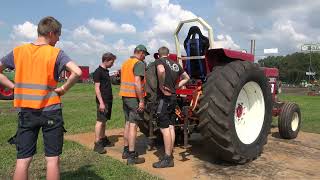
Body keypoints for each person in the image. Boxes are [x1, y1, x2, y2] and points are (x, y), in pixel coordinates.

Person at [0, 16, 82, 180]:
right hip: (51, 110)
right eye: (58, 35)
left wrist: (13, 87)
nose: (58, 39)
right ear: (51, 33)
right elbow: (78, 72)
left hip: (26, 112)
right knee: (52, 160)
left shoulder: (18, 51)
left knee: (23, 160)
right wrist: (64, 88)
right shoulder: (56, 53)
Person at [153, 46, 190, 168]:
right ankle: (170, 154)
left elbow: (161, 71)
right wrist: (176, 87)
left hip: (164, 98)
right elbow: (187, 78)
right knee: (170, 126)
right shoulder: (175, 64)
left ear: (159, 55)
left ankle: (167, 158)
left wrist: (162, 86)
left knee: (164, 128)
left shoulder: (160, 61)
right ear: (168, 54)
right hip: (173, 97)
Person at [119, 44, 149, 165]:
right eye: (144, 55)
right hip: (134, 98)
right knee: (133, 125)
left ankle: (126, 151)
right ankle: (132, 156)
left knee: (127, 123)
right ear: (140, 52)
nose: (145, 58)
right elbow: (137, 82)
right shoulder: (139, 63)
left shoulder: (126, 62)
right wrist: (141, 101)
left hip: (125, 96)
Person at [93, 52, 116, 154]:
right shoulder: (98, 72)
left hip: (108, 100)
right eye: (112, 62)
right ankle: (97, 143)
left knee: (104, 121)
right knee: (100, 121)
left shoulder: (106, 71)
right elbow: (97, 89)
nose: (112, 64)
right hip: (103, 101)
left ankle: (103, 139)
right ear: (106, 60)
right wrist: (101, 103)